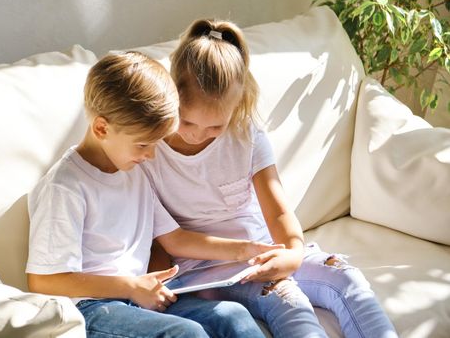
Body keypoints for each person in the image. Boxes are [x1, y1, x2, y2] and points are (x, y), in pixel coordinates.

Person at [142, 19, 399, 338]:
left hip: (262, 250)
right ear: (170, 95)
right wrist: (246, 254)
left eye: (214, 127)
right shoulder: (147, 152)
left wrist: (292, 252)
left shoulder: (245, 134)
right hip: (206, 268)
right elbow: (170, 239)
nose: (197, 135)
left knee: (346, 276)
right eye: (187, 121)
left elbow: (277, 211)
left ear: (237, 106)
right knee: (284, 297)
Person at [25, 51, 276, 338]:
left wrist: (245, 250)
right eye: (144, 144)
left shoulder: (134, 171)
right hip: (91, 309)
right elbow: (43, 280)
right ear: (102, 128)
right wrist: (131, 287)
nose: (151, 154)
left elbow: (175, 238)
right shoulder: (65, 187)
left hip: (138, 298)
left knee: (233, 316)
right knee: (186, 334)